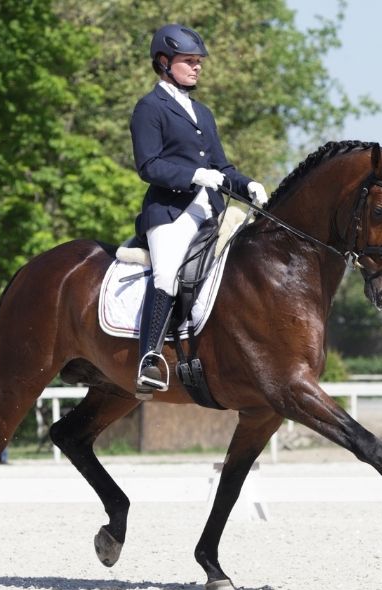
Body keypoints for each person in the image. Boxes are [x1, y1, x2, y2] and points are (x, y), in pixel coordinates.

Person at [130, 23, 268, 396]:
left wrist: (246, 184)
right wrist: (194, 176)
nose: (197, 67)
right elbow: (149, 165)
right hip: (171, 212)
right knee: (167, 273)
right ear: (164, 62)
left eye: (198, 61)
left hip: (212, 210)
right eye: (189, 61)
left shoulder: (202, 113)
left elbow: (222, 169)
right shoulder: (149, 108)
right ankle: (149, 357)